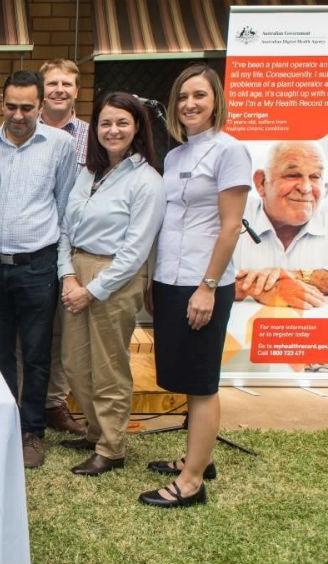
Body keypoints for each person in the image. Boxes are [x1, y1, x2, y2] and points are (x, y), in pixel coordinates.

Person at [139, 64, 251, 508]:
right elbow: (169, 223)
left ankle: (191, 483)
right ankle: (196, 458)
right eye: (183, 96)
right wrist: (155, 278)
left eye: (199, 95)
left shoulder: (231, 151)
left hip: (204, 282)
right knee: (184, 374)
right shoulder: (175, 155)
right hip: (171, 279)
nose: (190, 104)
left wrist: (207, 286)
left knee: (202, 381)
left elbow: (229, 227)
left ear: (215, 100)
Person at [57, 92, 165, 476]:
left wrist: (91, 290)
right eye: (105, 122)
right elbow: (65, 228)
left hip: (115, 278)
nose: (113, 130)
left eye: (122, 122)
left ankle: (111, 447)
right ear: (95, 128)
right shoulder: (88, 172)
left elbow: (136, 251)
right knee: (74, 362)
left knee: (108, 367)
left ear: (137, 128)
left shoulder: (146, 181)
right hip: (76, 269)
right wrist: (67, 275)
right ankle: (94, 429)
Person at [0, 70, 78, 469]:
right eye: (11, 106)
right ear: (1, 103)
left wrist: (64, 267)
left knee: (37, 353)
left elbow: (66, 208)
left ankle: (31, 431)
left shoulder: (61, 145)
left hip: (38, 264)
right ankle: (5, 424)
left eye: (27, 107)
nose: (18, 115)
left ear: (41, 106)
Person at [39, 58, 90, 435]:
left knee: (62, 331)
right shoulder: (22, 130)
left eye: (66, 84)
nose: (59, 89)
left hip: (76, 248)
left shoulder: (93, 135)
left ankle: (54, 403)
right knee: (30, 328)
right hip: (34, 246)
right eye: (52, 83)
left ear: (77, 90)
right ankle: (22, 399)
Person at [233, 141, 327, 308]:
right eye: (292, 175)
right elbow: (190, 276)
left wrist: (297, 275)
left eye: (315, 177)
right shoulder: (232, 213)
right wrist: (251, 286)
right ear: (261, 183)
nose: (305, 188)